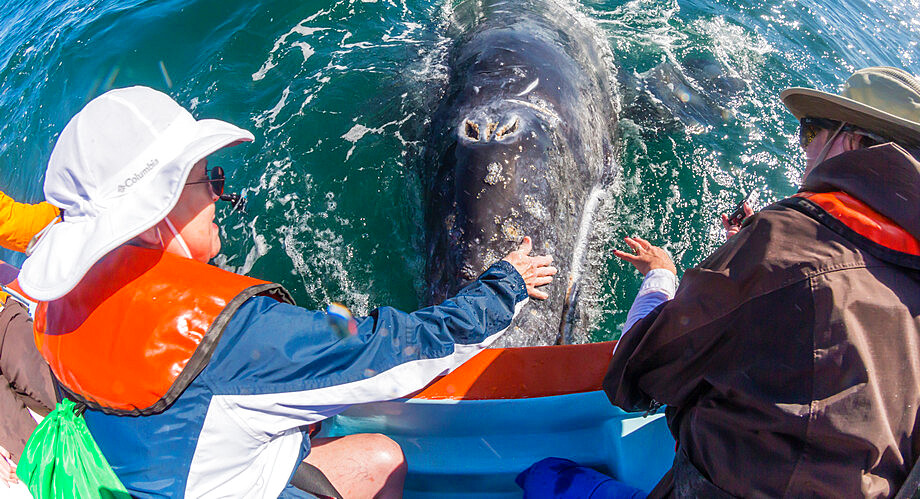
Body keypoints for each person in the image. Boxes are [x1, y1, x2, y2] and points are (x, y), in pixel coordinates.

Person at [15, 86, 555, 498]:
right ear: (155, 215)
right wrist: (504, 285)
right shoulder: (222, 335)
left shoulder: (60, 306)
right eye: (211, 180)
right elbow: (393, 354)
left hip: (161, 477)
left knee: (342, 441)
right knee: (382, 456)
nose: (224, 195)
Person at [605, 66, 920, 497]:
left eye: (811, 132)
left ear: (854, 142)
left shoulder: (789, 241)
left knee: (547, 477)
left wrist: (662, 274)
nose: (804, 149)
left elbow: (636, 371)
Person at [0, 188, 59, 469]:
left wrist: (66, 214)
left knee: (57, 394)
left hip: (2, 320)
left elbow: (21, 223)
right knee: (32, 456)